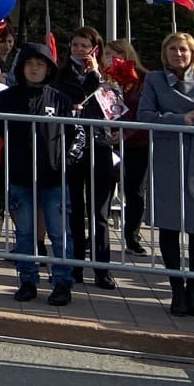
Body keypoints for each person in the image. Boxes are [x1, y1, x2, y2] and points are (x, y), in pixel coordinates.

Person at [139, 32, 194, 318]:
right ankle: (177, 290)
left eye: (184, 50)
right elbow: (145, 115)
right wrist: (179, 119)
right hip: (167, 158)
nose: (179, 54)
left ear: (193, 53)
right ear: (165, 53)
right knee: (170, 225)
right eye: (173, 49)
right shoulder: (154, 80)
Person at [0, 42, 75, 305]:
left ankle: (63, 282)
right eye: (29, 64)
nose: (34, 69)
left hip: (54, 177)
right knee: (25, 234)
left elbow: (77, 134)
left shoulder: (60, 99)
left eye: (40, 64)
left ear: (49, 68)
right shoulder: (7, 98)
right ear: (21, 67)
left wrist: (68, 160)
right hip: (19, 176)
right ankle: (27, 280)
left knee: (59, 233)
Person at [55, 26, 118, 290]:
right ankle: (76, 265)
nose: (79, 50)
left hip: (100, 144)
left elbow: (112, 102)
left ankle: (102, 269)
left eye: (84, 46)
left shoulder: (106, 73)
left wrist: (94, 73)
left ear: (95, 48)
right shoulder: (60, 74)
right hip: (72, 147)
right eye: (75, 45)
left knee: (99, 212)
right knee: (74, 211)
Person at [108, 39, 152, 255]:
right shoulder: (104, 77)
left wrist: (126, 133)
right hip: (108, 140)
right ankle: (97, 236)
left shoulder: (143, 79)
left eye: (118, 54)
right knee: (104, 188)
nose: (113, 59)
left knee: (135, 191)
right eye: (108, 54)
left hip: (137, 141)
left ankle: (132, 236)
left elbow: (144, 111)